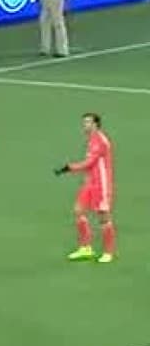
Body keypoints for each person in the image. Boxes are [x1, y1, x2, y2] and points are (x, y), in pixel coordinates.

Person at [55, 113, 115, 263]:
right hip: (89, 182)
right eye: (84, 122)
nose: (85, 125)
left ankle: (108, 252)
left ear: (96, 124)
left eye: (88, 122)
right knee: (78, 210)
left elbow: (89, 163)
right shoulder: (91, 139)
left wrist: (69, 167)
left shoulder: (100, 141)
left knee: (103, 217)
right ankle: (86, 248)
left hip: (101, 184)